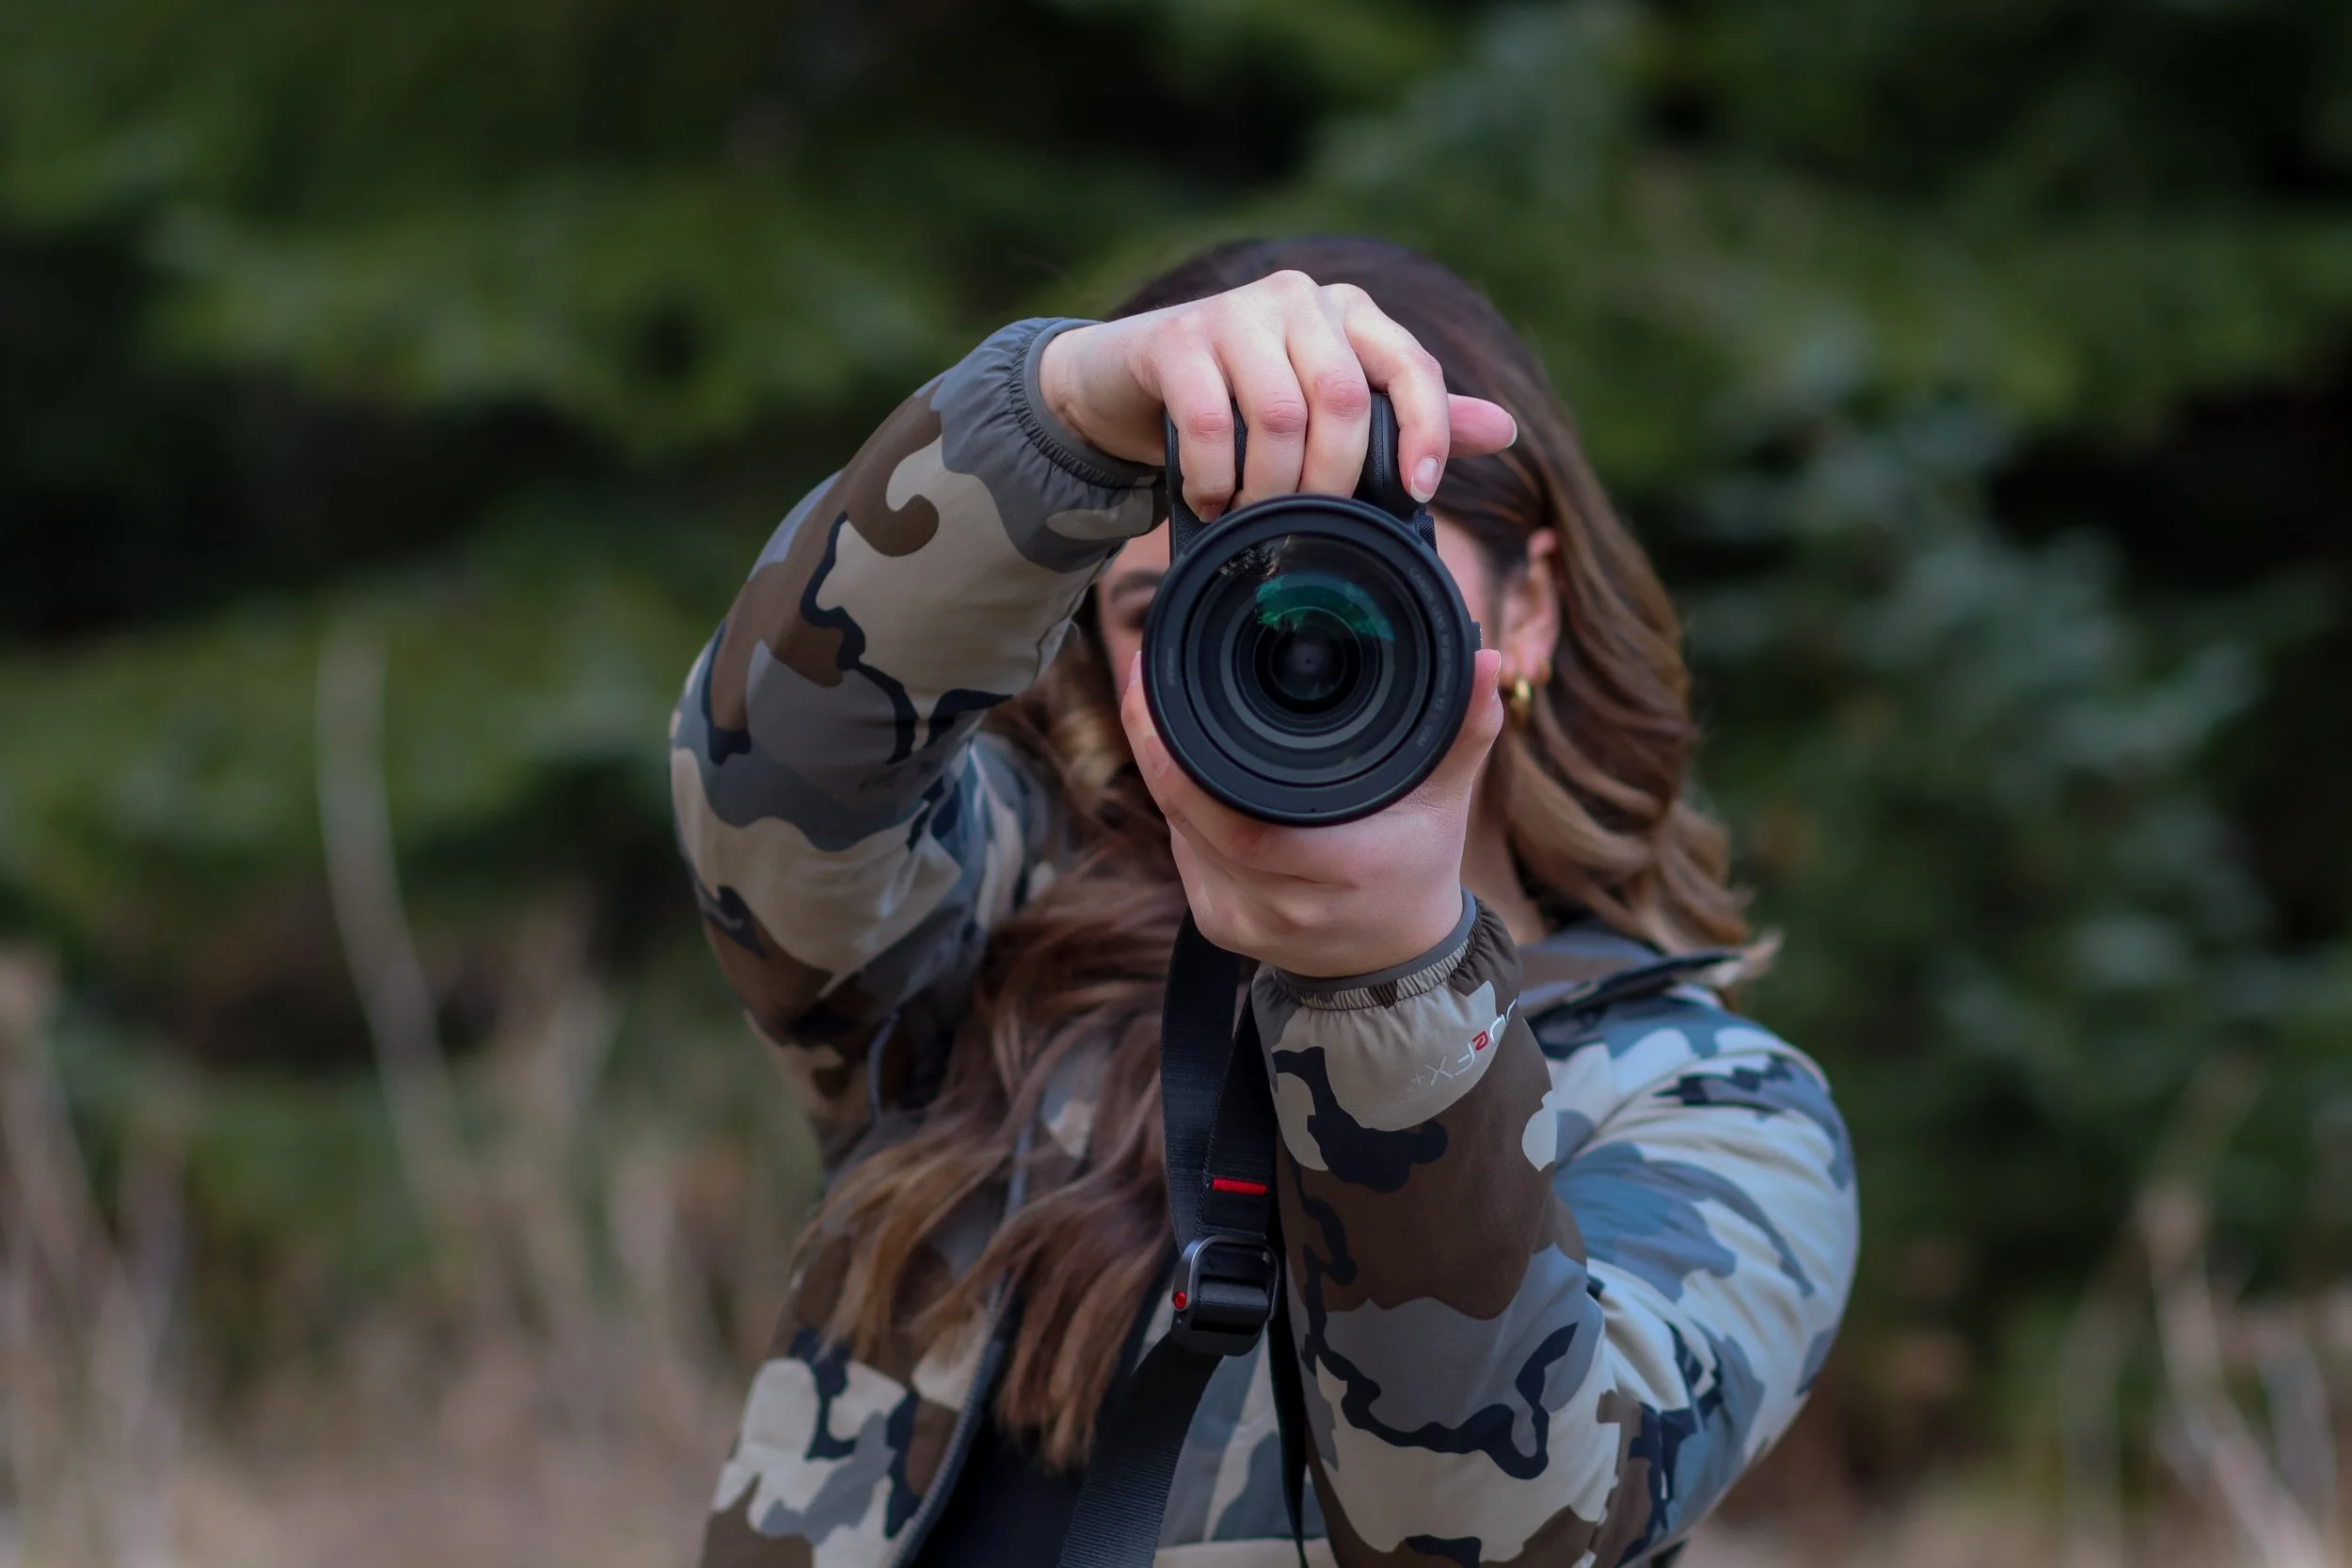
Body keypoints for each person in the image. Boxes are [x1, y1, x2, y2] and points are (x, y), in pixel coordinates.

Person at [671, 236, 1858, 1568]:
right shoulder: (994, 945)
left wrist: (1389, 993)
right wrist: (1051, 416)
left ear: (1528, 607)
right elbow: (768, 783)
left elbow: (1501, 1535)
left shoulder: (1712, 1112)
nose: (1279, 647)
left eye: (1350, 586)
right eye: (1163, 609)